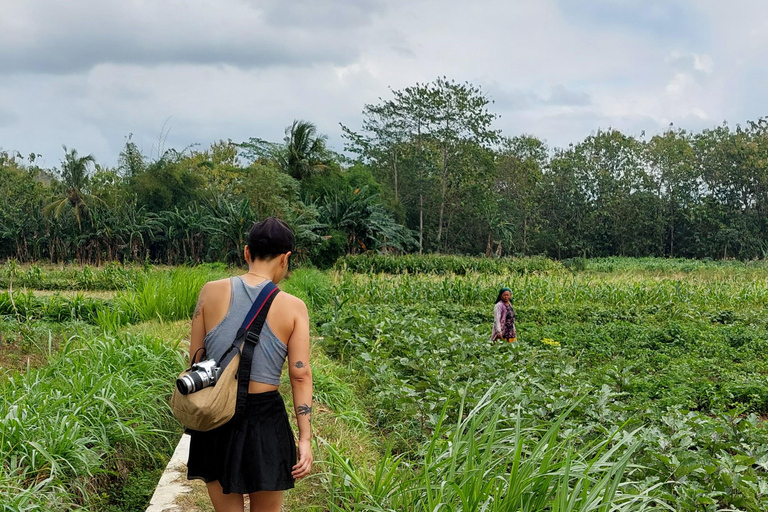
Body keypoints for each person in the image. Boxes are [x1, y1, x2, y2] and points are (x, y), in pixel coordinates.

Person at [186, 217, 313, 512]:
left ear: (246, 253)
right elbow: (300, 375)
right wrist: (304, 439)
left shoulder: (209, 291)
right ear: (286, 258)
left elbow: (195, 358)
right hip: (265, 421)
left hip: (215, 416)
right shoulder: (294, 307)